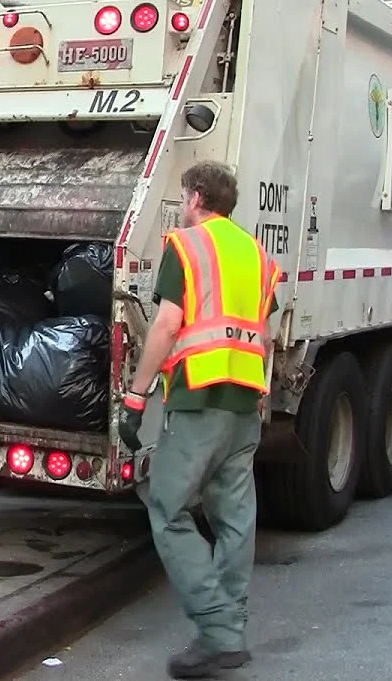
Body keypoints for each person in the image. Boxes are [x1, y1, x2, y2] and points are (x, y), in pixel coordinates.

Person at [118, 161, 281, 679]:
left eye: (184, 195)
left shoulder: (186, 247)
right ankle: (230, 627)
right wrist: (262, 391)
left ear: (193, 198)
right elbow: (267, 334)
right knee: (235, 518)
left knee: (167, 508)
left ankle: (216, 629)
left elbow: (167, 324)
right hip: (244, 403)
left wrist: (136, 396)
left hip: (198, 401)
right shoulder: (255, 254)